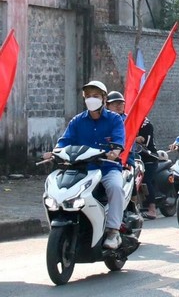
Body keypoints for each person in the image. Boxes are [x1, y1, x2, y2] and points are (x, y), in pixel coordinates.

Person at [45, 81, 126, 249]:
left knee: (116, 188)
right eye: (88, 96)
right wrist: (55, 152)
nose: (91, 99)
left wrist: (115, 152)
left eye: (95, 96)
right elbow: (64, 141)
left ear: (104, 99)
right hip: (82, 169)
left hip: (107, 168)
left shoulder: (115, 119)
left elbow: (119, 140)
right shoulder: (77, 121)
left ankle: (113, 231)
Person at [106, 91, 157, 219]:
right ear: (107, 105)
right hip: (105, 157)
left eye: (121, 103)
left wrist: (134, 138)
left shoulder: (130, 120)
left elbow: (133, 136)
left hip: (126, 157)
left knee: (130, 180)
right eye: (114, 104)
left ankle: (133, 208)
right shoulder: (104, 120)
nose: (118, 106)